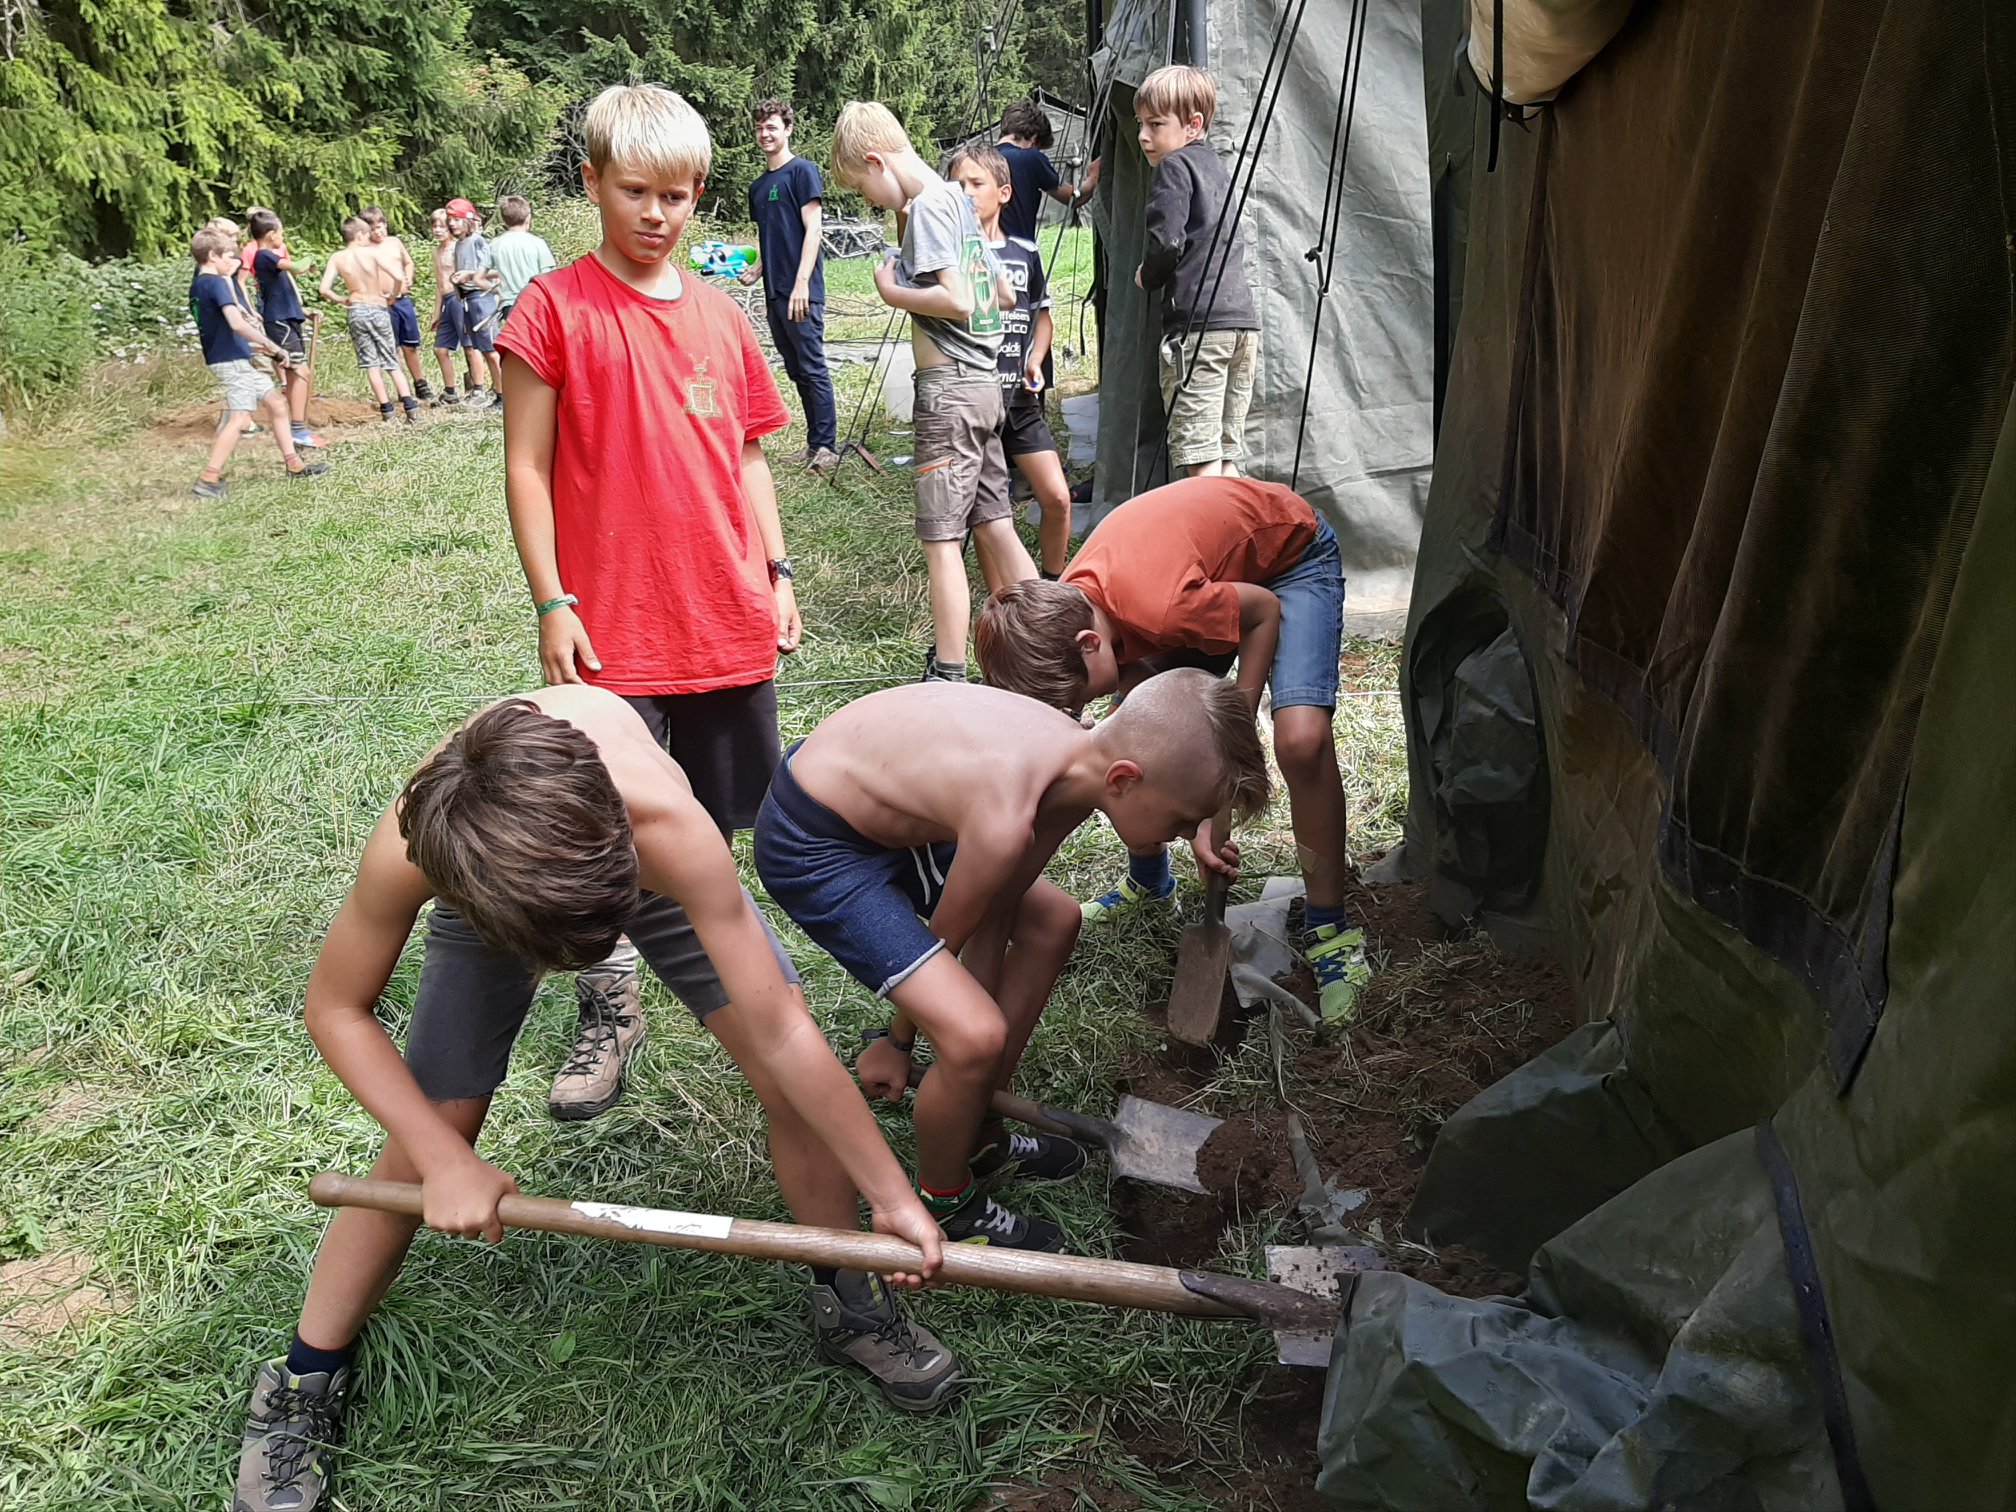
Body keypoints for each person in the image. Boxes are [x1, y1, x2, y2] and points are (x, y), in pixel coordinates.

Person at [229, 690, 961, 1512]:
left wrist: (892, 1197)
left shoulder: (665, 830)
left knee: (785, 1078)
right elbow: (335, 1008)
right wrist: (444, 1161)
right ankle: (302, 1379)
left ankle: (849, 1292)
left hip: (621, 862)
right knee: (431, 1130)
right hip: (503, 881)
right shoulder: (422, 845)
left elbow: (785, 1033)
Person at [497, 84, 805, 1125]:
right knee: (606, 829)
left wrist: (777, 571)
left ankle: (742, 997)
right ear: (591, 183)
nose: (657, 214)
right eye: (635, 191)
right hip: (613, 632)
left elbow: (752, 455)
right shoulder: (553, 310)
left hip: (723, 620)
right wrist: (554, 598)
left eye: (677, 195)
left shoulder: (721, 317)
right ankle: (611, 999)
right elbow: (527, 468)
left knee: (717, 833)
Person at [755, 670, 1269, 1251]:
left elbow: (997, 909)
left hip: (899, 819)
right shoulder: (1006, 813)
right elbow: (950, 938)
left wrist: (969, 1057)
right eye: (1182, 819)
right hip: (817, 844)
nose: (1181, 837)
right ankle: (948, 1200)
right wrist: (897, 1043)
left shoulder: (1080, 765)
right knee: (975, 1037)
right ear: (1126, 780)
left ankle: (974, 1130)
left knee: (1053, 922)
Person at [975, 476, 1371, 1022]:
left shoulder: (1162, 609)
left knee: (1301, 741)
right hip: (1202, 583)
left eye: (1082, 695)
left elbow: (1260, 613)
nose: (1084, 706)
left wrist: (1231, 747)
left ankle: (1330, 929)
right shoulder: (1065, 611)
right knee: (1122, 736)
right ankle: (1150, 879)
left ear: (1092, 646)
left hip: (1287, 562)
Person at [830, 100, 1034, 684]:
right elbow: (1003, 295)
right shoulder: (961, 202)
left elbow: (962, 300)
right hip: (984, 389)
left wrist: (893, 293)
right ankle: (1050, 648)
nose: (870, 200)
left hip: (947, 395)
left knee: (942, 540)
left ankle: (948, 673)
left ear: (877, 161)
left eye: (863, 186)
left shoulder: (925, 208)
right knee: (995, 523)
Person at [949, 144, 1075, 580]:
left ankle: (1052, 581)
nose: (966, 193)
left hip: (1019, 399)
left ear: (1004, 193)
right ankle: (1003, 598)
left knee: (1057, 497)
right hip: (975, 400)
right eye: (958, 184)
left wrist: (1035, 359)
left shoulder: (1025, 251)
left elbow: (1042, 317)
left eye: (976, 184)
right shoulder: (952, 256)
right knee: (990, 511)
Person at [1135, 65, 1260, 479]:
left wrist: (1146, 275)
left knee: (1199, 460)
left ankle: (1212, 544)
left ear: (1193, 124)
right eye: (1141, 124)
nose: (1143, 136)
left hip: (1199, 331)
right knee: (1225, 457)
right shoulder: (1216, 167)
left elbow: (1167, 242)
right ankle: (1244, 542)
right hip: (1242, 327)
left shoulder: (1174, 167)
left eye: (1155, 124)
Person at [188, 227, 328, 499]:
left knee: (276, 403)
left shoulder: (200, 284)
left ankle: (294, 464)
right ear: (213, 256)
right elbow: (237, 323)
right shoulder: (216, 283)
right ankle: (208, 478)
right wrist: (273, 347)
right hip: (231, 360)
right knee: (240, 419)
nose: (235, 261)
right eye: (229, 255)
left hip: (234, 357)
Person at [743, 98, 838, 470]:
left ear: (787, 129)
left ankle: (827, 446)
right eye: (760, 128)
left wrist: (801, 285)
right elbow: (777, 235)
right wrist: (759, 270)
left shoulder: (802, 172)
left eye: (772, 127)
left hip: (802, 290)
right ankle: (813, 444)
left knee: (812, 365)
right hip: (775, 291)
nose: (765, 134)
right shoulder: (758, 186)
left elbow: (812, 230)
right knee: (796, 367)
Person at [318, 218, 421, 424]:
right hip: (378, 307)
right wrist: (392, 295)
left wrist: (341, 299)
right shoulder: (372, 253)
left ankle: (387, 410)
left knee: (371, 363)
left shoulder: (338, 257)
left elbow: (324, 289)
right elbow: (399, 275)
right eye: (366, 235)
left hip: (357, 309)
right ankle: (411, 407)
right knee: (391, 360)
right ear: (359, 235)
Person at [246, 210, 321, 451]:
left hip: (288, 317)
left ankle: (297, 427)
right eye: (281, 233)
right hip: (279, 321)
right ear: (271, 234)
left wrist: (304, 311)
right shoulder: (264, 256)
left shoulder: (269, 258)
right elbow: (297, 267)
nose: (283, 237)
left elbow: (285, 288)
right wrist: (310, 259)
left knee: (297, 373)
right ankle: (298, 429)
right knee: (300, 372)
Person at [994, 98, 1096, 245]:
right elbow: (1072, 198)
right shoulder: (1030, 157)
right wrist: (1094, 177)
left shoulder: (976, 159)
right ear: (1034, 140)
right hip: (1018, 255)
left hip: (977, 257)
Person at [361, 206, 435, 402]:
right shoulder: (365, 250)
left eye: (380, 226)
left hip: (402, 300)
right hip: (382, 304)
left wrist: (408, 277)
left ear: (385, 225)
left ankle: (421, 383)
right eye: (373, 229)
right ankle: (403, 389)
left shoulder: (394, 243)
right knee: (390, 346)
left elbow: (408, 262)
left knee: (410, 345)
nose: (378, 232)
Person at [447, 197, 504, 408]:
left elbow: (490, 271)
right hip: (466, 299)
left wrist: (469, 276)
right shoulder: (459, 244)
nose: (452, 224)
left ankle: (503, 395)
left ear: (468, 220)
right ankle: (496, 392)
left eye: (457, 219)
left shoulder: (478, 241)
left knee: (491, 350)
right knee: (479, 348)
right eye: (450, 219)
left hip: (482, 299)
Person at [482, 194, 557, 326]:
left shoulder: (495, 244)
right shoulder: (538, 243)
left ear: (504, 221)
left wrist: (500, 290)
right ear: (528, 217)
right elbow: (549, 279)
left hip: (509, 306)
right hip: (535, 303)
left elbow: (478, 278)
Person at [428, 208, 476, 404]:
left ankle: (477, 388)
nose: (438, 230)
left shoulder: (458, 248)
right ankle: (450, 391)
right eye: (434, 226)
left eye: (442, 226)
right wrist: (436, 312)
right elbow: (440, 285)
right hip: (447, 301)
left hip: (459, 299)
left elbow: (466, 277)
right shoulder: (436, 252)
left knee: (469, 346)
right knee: (440, 349)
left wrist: (468, 305)